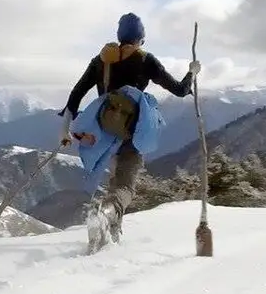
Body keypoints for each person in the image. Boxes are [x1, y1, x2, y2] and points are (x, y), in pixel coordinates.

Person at [57, 12, 200, 244]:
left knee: (115, 180)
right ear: (140, 38)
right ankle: (105, 213)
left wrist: (64, 130)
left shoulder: (100, 60)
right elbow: (180, 90)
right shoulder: (145, 60)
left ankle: (111, 234)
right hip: (131, 134)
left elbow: (76, 94)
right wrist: (192, 72)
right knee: (125, 187)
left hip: (103, 135)